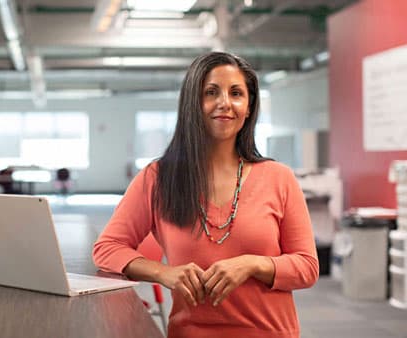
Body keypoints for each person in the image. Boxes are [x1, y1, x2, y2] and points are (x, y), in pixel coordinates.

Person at [93, 52, 318, 338]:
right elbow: (108, 248)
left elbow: (308, 266)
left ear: (248, 107)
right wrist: (163, 273)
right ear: (193, 104)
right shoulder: (158, 178)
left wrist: (253, 264)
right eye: (211, 92)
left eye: (236, 93)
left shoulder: (279, 177)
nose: (225, 102)